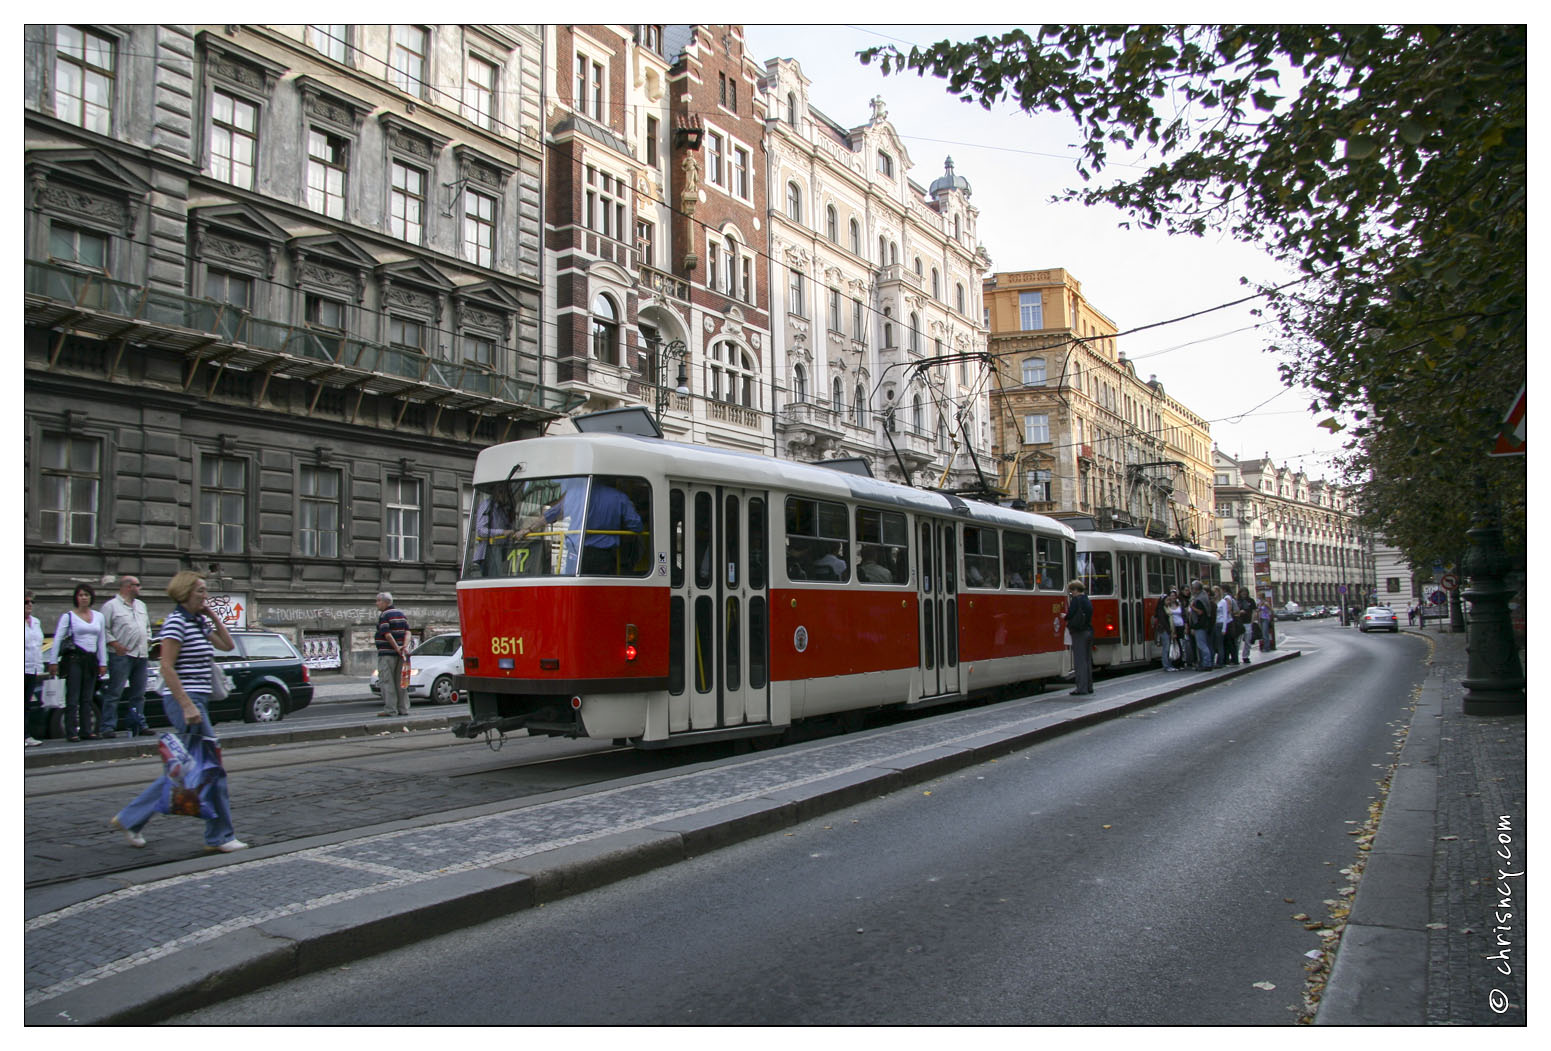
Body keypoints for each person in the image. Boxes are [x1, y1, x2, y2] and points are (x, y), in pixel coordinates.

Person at [111, 571, 245, 852]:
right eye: (200, 592)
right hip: (185, 700)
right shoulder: (175, 623)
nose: (205, 596)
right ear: (185, 593)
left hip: (198, 700)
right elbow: (167, 667)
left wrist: (212, 614)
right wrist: (186, 705)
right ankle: (220, 836)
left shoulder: (196, 622)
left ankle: (131, 818)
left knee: (184, 769)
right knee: (212, 768)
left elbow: (228, 645)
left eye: (206, 592)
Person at [49, 583, 108, 741]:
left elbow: (101, 640)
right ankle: (71, 731)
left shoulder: (98, 617)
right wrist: (53, 661)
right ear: (76, 598)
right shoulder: (68, 616)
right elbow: (58, 639)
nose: (83, 598)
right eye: (81, 595)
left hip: (91, 659)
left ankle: (87, 730)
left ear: (91, 597)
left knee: (87, 696)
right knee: (73, 696)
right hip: (75, 658)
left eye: (86, 595)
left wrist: (103, 662)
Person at [548, 481, 645, 575]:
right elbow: (637, 526)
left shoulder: (575, 493)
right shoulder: (620, 497)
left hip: (575, 553)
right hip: (604, 556)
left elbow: (552, 514)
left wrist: (532, 528)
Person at [99, 574, 151, 738]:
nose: (139, 588)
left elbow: (147, 627)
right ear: (128, 587)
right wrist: (115, 644)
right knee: (115, 692)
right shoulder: (111, 606)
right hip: (121, 655)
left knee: (139, 694)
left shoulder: (141, 605)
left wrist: (148, 641)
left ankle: (138, 724)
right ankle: (107, 727)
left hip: (141, 654)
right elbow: (104, 630)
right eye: (137, 585)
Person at [374, 592, 411, 718]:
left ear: (385, 602)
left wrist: (397, 648)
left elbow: (387, 634)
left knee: (387, 681)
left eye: (378, 601)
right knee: (400, 682)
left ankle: (391, 710)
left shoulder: (384, 615)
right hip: (401, 654)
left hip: (387, 654)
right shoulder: (401, 614)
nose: (377, 603)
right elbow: (408, 632)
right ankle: (403, 708)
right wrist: (404, 647)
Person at [1064, 579, 1094, 695]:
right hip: (1089, 631)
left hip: (1079, 633)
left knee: (1080, 661)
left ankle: (1081, 688)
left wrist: (1064, 617)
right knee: (1087, 660)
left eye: (1071, 591)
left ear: (1076, 590)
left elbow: (1070, 614)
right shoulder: (1087, 600)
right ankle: (1089, 686)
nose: (1071, 594)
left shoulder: (1076, 600)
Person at [24, 593, 45, 746]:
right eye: (26, 602)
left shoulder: (36, 622)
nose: (29, 604)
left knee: (26, 704)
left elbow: (38, 645)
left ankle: (26, 735)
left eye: (32, 602)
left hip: (32, 667)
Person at [1188, 581, 1214, 671]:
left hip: (1200, 625)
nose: (1191, 590)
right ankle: (1205, 662)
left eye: (1192, 588)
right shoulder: (1204, 596)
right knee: (1203, 644)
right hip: (1203, 625)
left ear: (1196, 589)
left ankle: (1207, 663)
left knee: (1201, 645)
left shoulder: (1199, 599)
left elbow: (1200, 612)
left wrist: (1192, 607)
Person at [1153, 592, 1176, 671]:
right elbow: (1164, 622)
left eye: (1169, 600)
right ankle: (1166, 665)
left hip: (1169, 631)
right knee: (1166, 648)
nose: (1169, 602)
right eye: (1167, 600)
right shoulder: (1161, 610)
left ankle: (1169, 664)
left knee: (1168, 647)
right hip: (1165, 631)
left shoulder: (1167, 608)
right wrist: (1170, 631)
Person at [1216, 585, 1237, 665]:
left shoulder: (1226, 598)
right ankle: (1229, 659)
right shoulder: (1228, 597)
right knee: (1228, 642)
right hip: (1227, 622)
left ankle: (1230, 659)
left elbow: (1228, 610)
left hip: (1227, 622)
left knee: (1228, 642)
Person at [1236, 587, 1256, 664]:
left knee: (1247, 640)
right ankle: (1236, 656)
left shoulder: (1251, 601)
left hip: (1247, 622)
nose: (1244, 594)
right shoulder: (1237, 601)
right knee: (1238, 640)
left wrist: (1252, 621)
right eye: (1242, 592)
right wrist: (1239, 612)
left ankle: (1245, 656)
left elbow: (1254, 611)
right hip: (1239, 622)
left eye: (1245, 592)